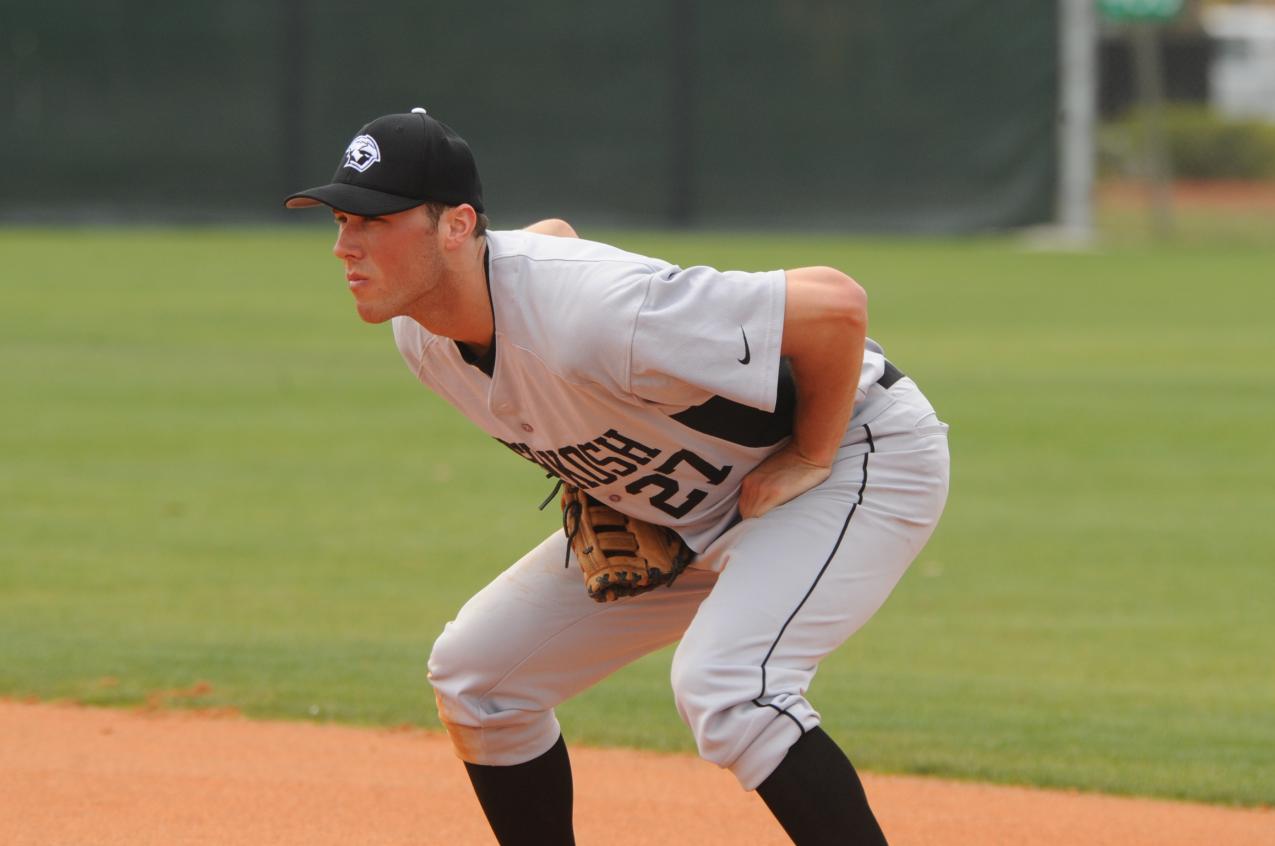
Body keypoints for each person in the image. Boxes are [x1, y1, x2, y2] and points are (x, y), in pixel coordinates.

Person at [285, 107, 950, 846]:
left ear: (456, 225)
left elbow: (834, 306)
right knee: (478, 680)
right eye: (342, 219)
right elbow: (554, 239)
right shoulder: (424, 335)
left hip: (858, 451)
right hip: (689, 500)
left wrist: (810, 455)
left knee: (731, 688)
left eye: (375, 221)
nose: (346, 246)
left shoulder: (601, 313)